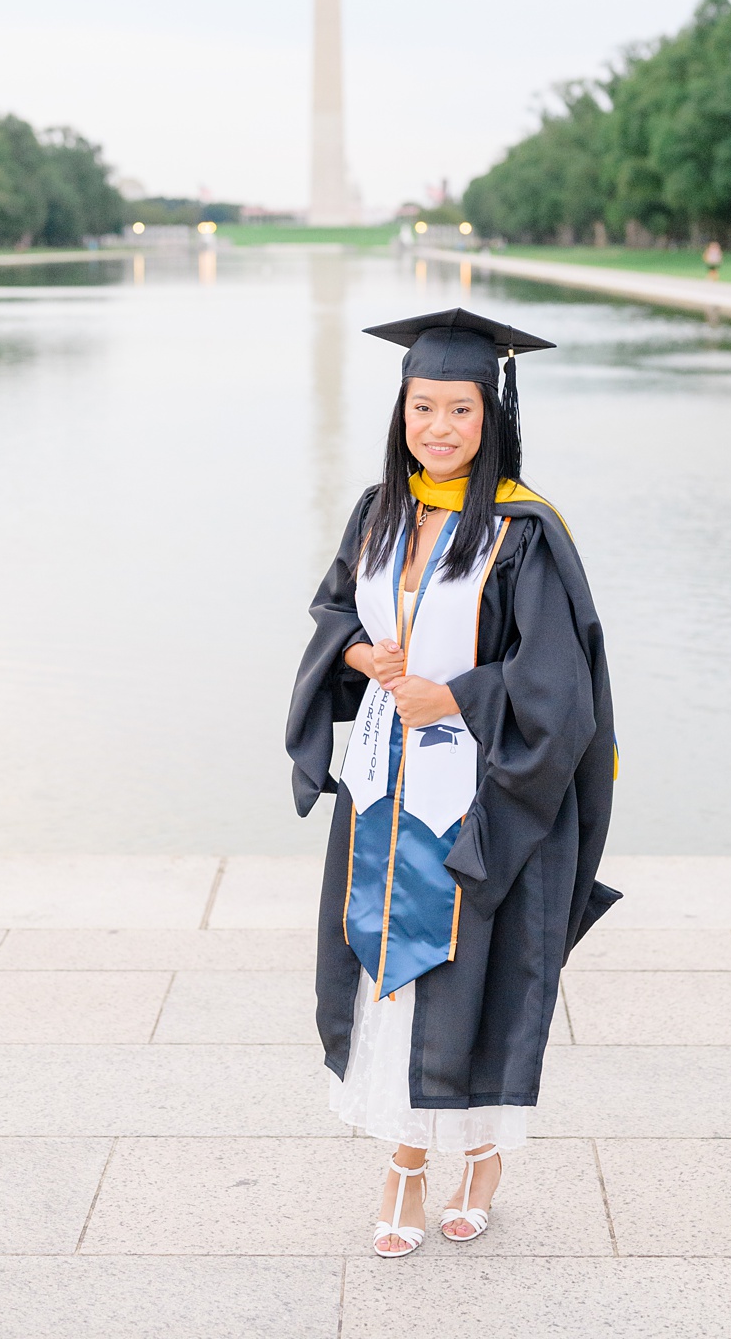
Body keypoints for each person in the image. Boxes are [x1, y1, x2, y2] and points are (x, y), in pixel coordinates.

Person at [284, 309, 616, 1259]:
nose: (438, 427)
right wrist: (359, 650)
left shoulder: (522, 531)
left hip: (486, 792)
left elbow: (557, 684)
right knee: (385, 973)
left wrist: (454, 695)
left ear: (490, 414)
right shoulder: (379, 513)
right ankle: (404, 1156)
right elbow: (332, 609)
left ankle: (471, 1151)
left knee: (472, 973)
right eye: (422, 406)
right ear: (401, 411)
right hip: (384, 781)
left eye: (458, 409)